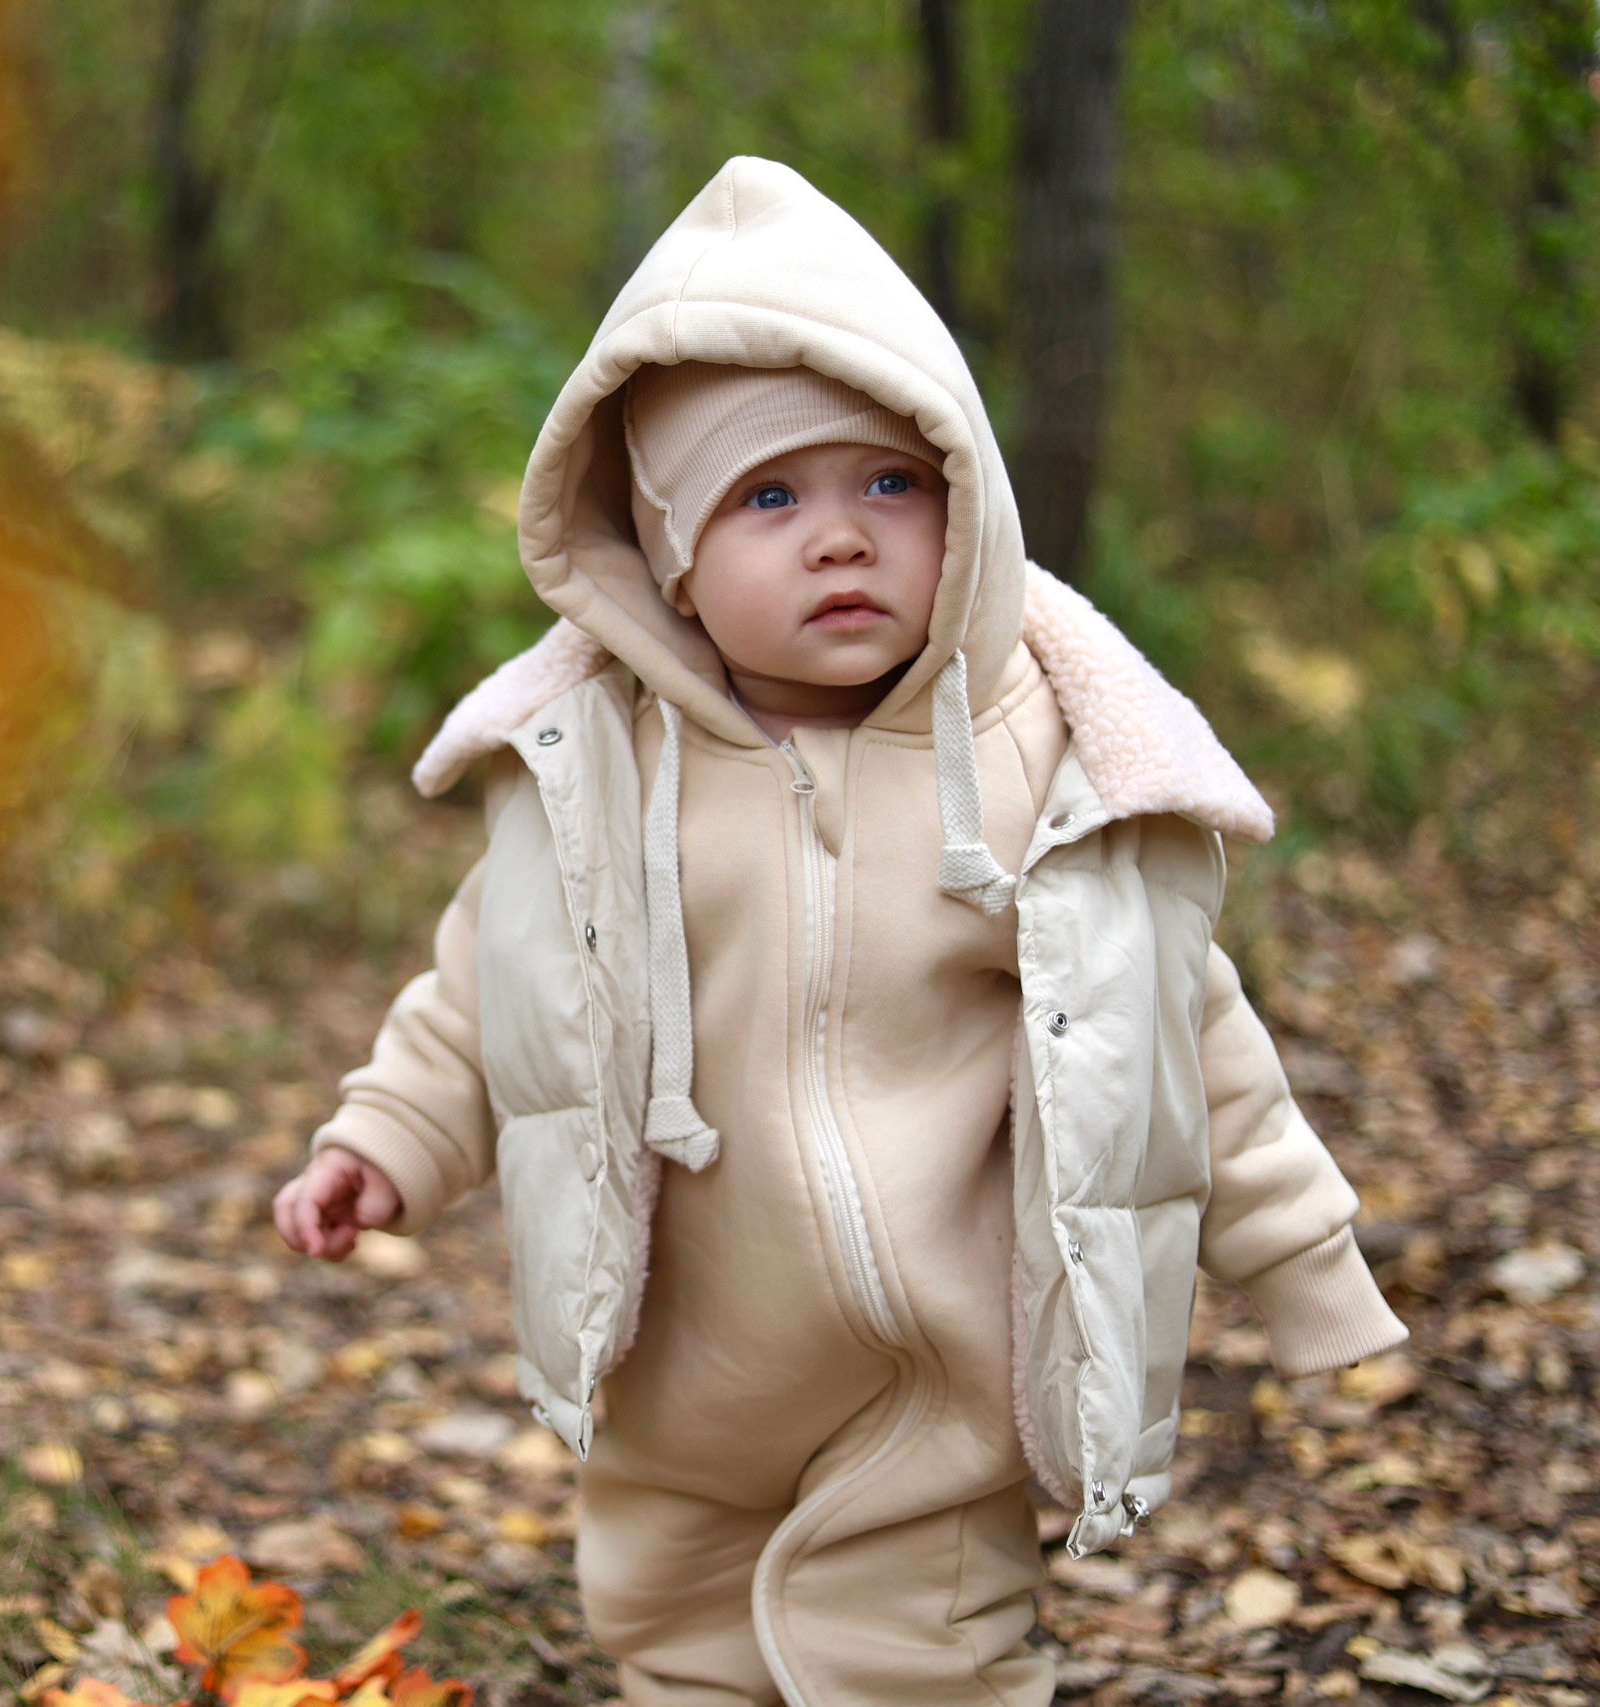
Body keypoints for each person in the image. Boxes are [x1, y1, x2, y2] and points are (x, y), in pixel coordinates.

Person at [272, 156, 1406, 1707]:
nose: (842, 538)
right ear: (667, 565)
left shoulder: (1034, 765)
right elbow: (493, 990)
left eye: (890, 484)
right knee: (676, 1637)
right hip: (680, 1366)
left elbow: (1176, 1026)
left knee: (921, 1661)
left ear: (968, 502)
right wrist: (386, 1140)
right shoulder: (607, 768)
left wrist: (1303, 1261)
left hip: (944, 1374)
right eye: (767, 498)